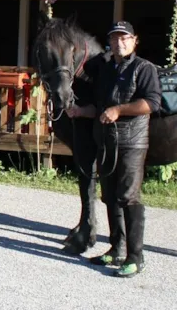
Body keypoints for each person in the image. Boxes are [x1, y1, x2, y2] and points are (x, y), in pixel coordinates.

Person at [67, 21, 161, 278]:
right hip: (106, 141)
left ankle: (135, 256)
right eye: (114, 38)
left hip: (132, 141)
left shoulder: (144, 69)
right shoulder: (106, 70)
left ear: (134, 40)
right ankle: (116, 248)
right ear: (109, 42)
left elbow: (152, 102)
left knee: (128, 196)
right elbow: (101, 107)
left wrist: (119, 110)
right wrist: (82, 112)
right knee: (109, 195)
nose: (119, 43)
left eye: (124, 38)